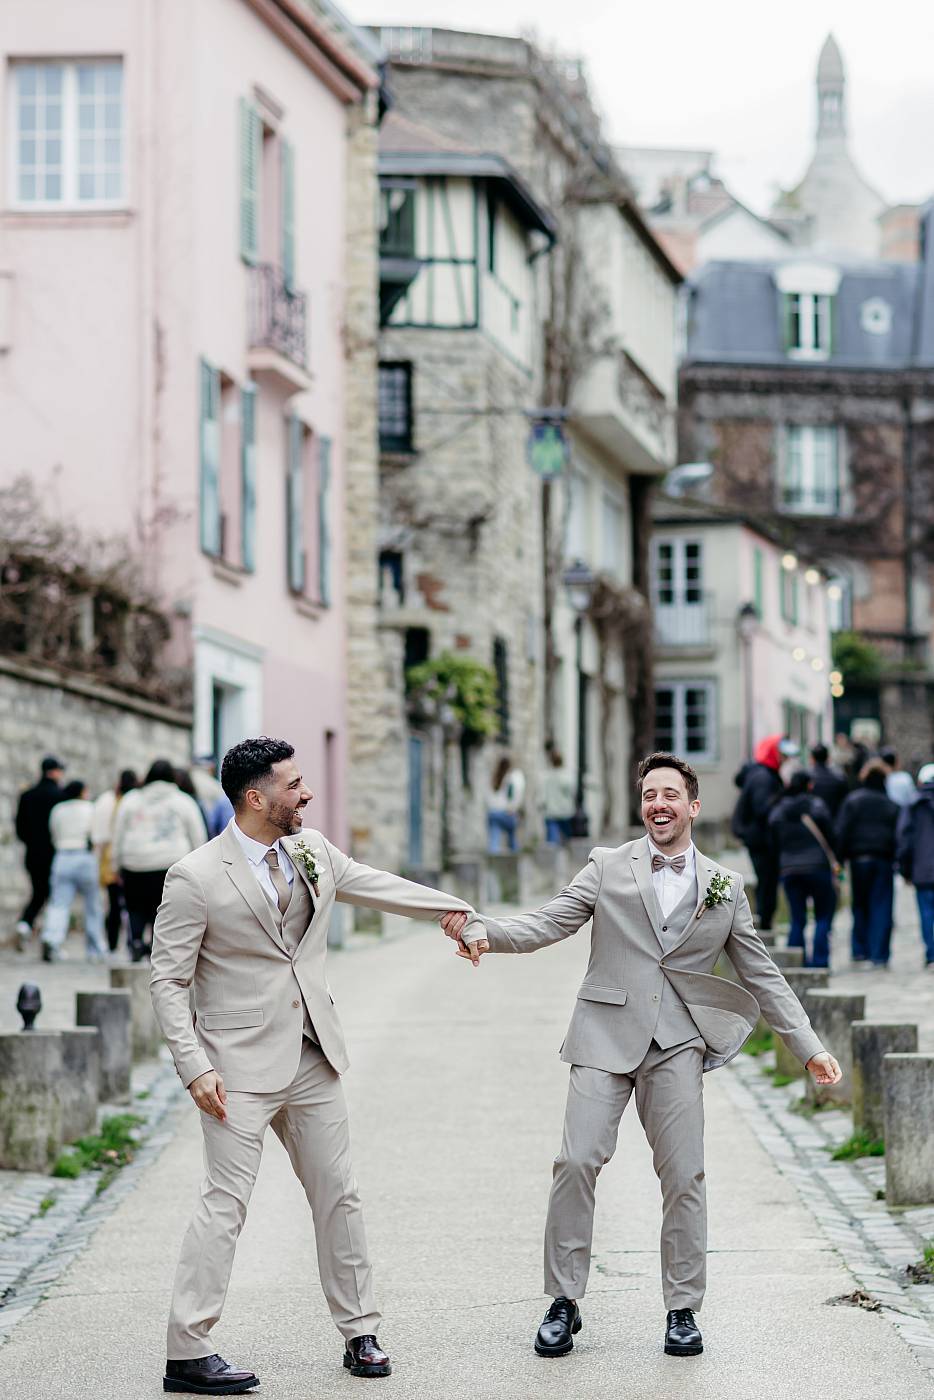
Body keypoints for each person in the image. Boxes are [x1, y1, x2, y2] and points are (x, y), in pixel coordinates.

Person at [442, 752, 840, 1363]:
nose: (658, 803)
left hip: (677, 1044)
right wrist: (485, 932)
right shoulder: (607, 865)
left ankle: (682, 1309)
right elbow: (551, 922)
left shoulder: (724, 888)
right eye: (649, 794)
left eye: (670, 794)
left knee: (684, 1177)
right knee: (575, 1161)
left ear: (693, 806)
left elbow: (763, 977)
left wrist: (808, 1047)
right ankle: (563, 1301)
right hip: (603, 1033)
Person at [150, 737, 478, 1394]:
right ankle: (187, 1348)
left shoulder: (312, 849)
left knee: (339, 1196)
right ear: (256, 797)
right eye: (294, 784)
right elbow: (167, 981)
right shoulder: (195, 876)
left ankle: (361, 1332)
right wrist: (194, 1067)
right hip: (234, 1069)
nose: (306, 793)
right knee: (225, 1205)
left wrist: (453, 909)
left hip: (312, 1056)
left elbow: (373, 884)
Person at [113, 759, 207, 961]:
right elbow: (198, 836)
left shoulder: (131, 799)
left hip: (134, 863)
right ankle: (160, 948)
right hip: (171, 863)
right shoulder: (183, 801)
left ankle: (136, 942)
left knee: (135, 908)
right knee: (164, 909)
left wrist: (116, 864)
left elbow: (118, 834)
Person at [768, 768, 839, 968]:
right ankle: (820, 962)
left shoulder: (778, 810)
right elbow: (832, 836)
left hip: (790, 870)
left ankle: (796, 963)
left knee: (797, 918)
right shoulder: (817, 806)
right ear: (809, 786)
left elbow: (772, 843)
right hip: (818, 868)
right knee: (823, 916)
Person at [835, 760, 898, 967]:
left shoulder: (853, 801)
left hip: (858, 859)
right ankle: (879, 954)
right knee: (881, 906)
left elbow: (842, 831)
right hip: (883, 860)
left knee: (859, 905)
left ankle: (860, 950)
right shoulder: (891, 805)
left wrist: (840, 859)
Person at [43, 780, 106, 963]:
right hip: (84, 856)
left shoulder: (58, 810)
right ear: (82, 792)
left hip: (62, 856)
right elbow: (96, 835)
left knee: (59, 903)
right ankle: (95, 948)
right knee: (92, 905)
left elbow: (53, 834)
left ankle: (52, 939)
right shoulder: (90, 808)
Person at [730, 735, 786, 930]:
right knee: (766, 881)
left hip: (759, 839)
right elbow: (762, 808)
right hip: (760, 840)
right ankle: (765, 923)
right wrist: (782, 799)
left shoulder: (763, 774)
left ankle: (765, 921)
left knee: (767, 881)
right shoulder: (763, 777)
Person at [14, 755, 65, 950]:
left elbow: (20, 829)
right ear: (54, 771)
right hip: (54, 854)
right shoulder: (59, 795)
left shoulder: (27, 795)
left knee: (38, 892)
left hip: (32, 854)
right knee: (54, 897)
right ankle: (50, 938)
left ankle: (25, 924)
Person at [92, 769, 139, 953]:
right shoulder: (134, 802)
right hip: (129, 859)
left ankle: (112, 943)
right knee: (132, 906)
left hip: (110, 857)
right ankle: (132, 942)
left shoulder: (112, 801)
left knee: (113, 906)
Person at [896, 762, 934, 969]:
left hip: (923, 869)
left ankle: (931, 955)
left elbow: (904, 839)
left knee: (927, 913)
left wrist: (905, 869)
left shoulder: (913, 804)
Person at [487, 755, 525, 854]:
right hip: (506, 812)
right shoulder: (511, 778)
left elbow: (489, 796)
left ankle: (494, 862)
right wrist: (513, 808)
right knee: (512, 836)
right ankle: (514, 858)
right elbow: (514, 795)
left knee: (494, 840)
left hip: (493, 812)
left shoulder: (495, 777)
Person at [542, 749, 575, 844]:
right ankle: (568, 856)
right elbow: (571, 791)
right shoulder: (565, 776)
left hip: (551, 811)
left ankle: (553, 858)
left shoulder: (547, 777)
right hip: (565, 811)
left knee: (552, 841)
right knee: (568, 838)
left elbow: (543, 796)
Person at [809, 743, 849, 818]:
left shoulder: (807, 778)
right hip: (833, 820)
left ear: (812, 758)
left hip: (813, 821)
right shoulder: (839, 777)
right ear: (828, 758)